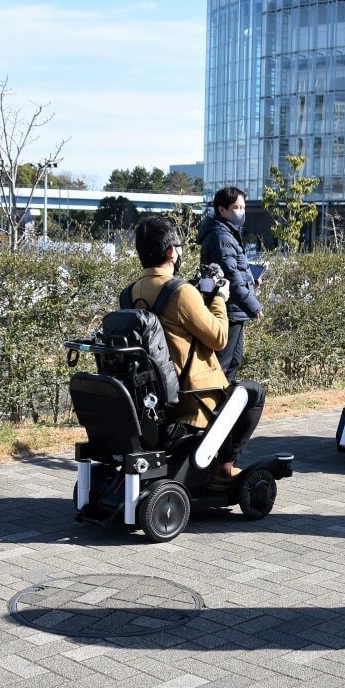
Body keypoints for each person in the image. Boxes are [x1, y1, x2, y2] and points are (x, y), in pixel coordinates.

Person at [130, 216, 265, 481]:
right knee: (253, 393)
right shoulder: (180, 292)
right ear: (171, 252)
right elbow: (218, 337)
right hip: (192, 399)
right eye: (179, 247)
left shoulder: (130, 293)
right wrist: (218, 298)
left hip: (151, 399)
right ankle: (224, 468)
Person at [198, 186, 263, 381]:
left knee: (233, 361)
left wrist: (252, 279)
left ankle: (226, 404)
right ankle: (215, 406)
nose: (241, 212)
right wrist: (253, 305)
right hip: (227, 308)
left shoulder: (228, 233)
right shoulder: (221, 236)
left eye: (243, 207)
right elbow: (230, 276)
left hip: (234, 308)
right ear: (222, 209)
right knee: (224, 363)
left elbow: (236, 270)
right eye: (236, 207)